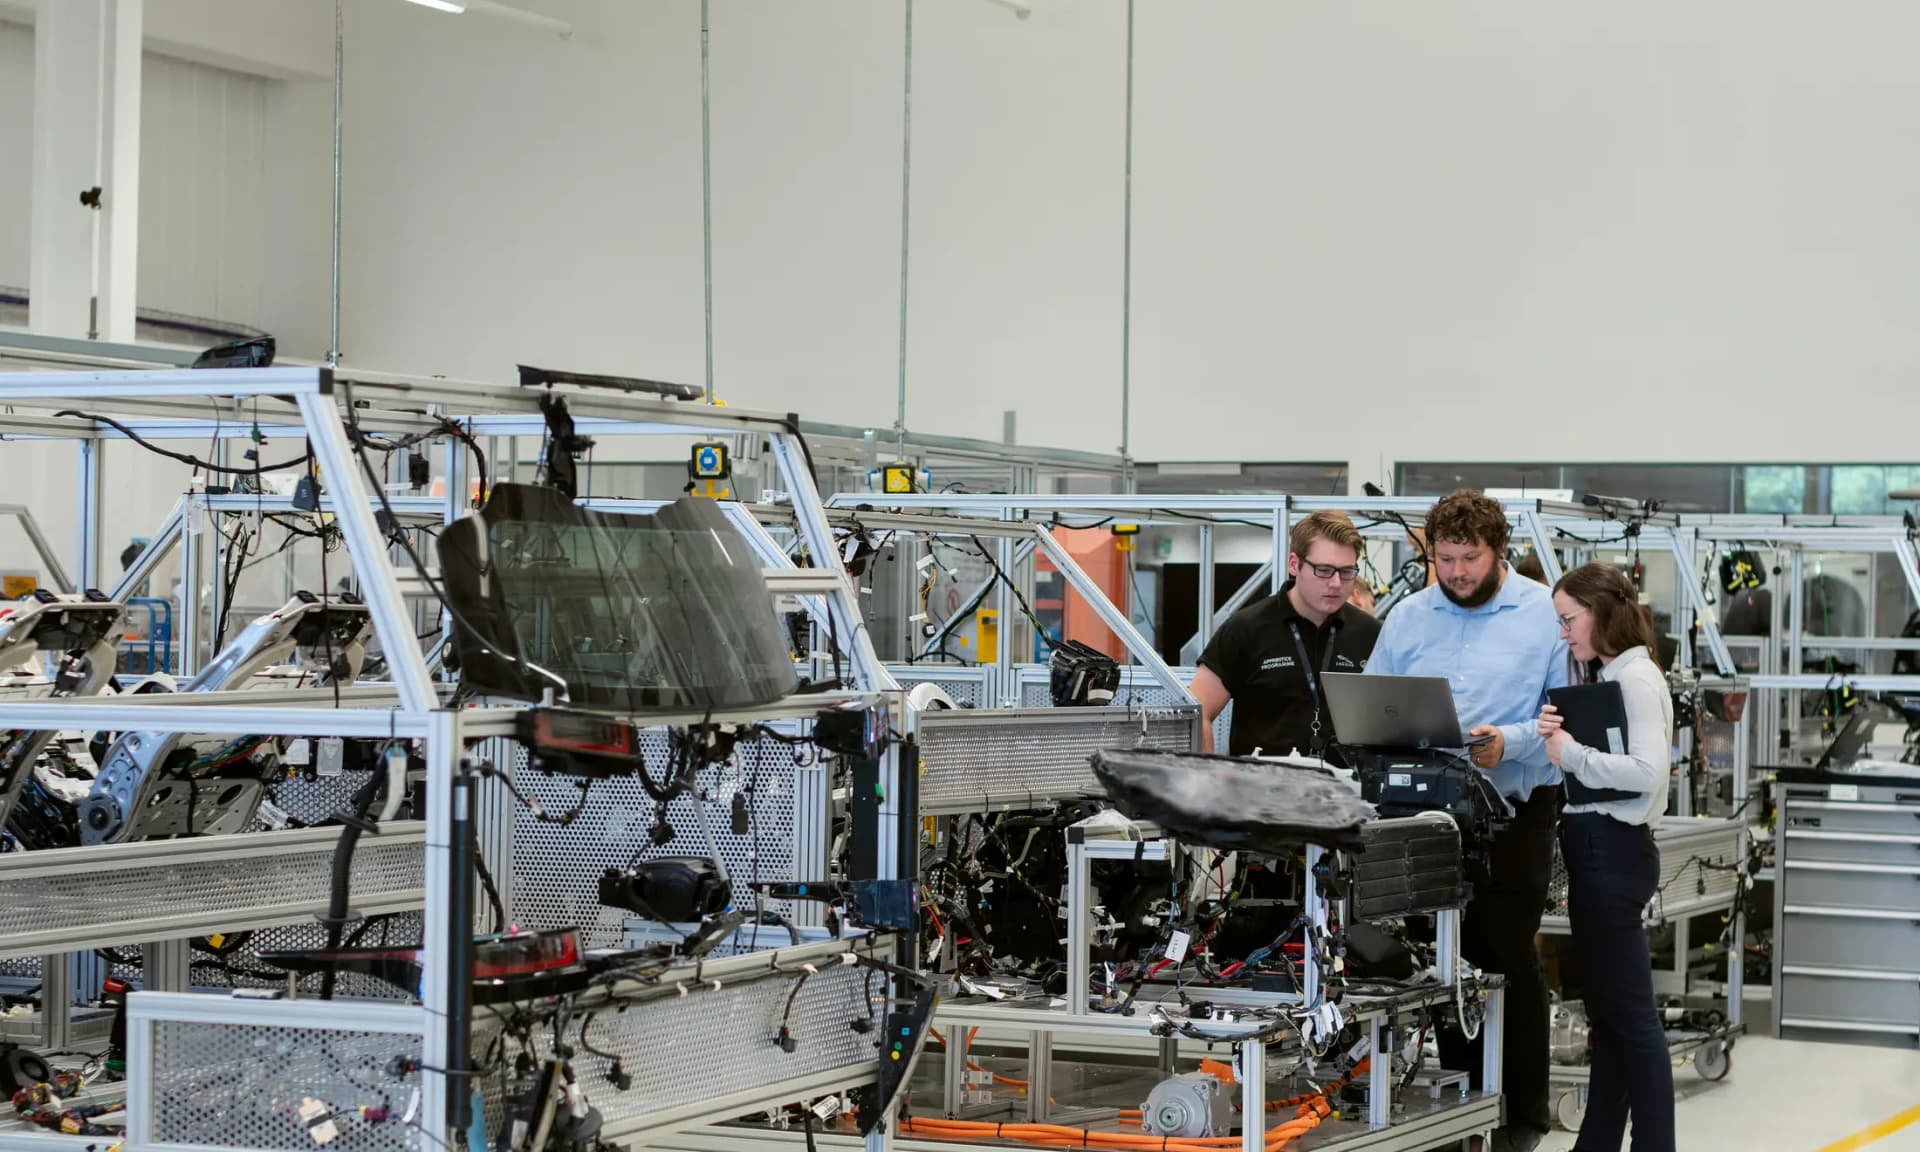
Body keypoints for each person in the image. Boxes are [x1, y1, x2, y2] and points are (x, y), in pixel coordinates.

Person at [1365, 490, 1567, 1152]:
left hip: (1515, 809)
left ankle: (1521, 1116)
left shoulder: (1543, 614)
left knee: (1504, 952)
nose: (1456, 573)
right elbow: (1375, 699)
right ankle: (1459, 1106)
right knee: (1445, 962)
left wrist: (1509, 741)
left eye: (1469, 559)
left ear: (1497, 551)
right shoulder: (1409, 617)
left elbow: (1562, 711)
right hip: (1427, 814)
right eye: (1445, 559)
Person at [1536, 563, 1674, 1152]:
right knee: (1613, 1022)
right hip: (1602, 851)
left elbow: (1647, 774)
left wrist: (1572, 755)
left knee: (1634, 1021)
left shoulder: (1636, 678)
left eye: (1569, 619)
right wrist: (1559, 737)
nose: (1564, 633)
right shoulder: (1613, 676)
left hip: (1611, 852)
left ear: (1600, 612)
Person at [1193, 510, 1381, 760]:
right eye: (1324, 570)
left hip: (1346, 789)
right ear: (1294, 565)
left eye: (1347, 572)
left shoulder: (1370, 634)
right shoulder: (1247, 628)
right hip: (1262, 790)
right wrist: (1209, 777)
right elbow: (1198, 709)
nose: (1336, 583)